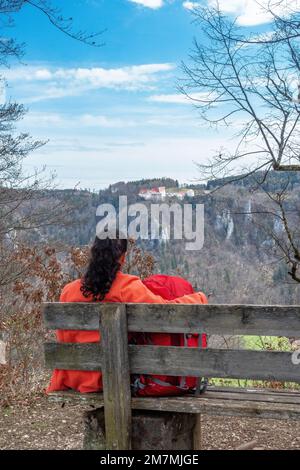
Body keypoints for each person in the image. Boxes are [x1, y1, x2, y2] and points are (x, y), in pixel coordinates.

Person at [46, 234, 208, 394]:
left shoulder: (68, 291)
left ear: (93, 254)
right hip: (111, 377)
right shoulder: (128, 287)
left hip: (74, 376)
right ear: (122, 257)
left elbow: (64, 337)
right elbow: (165, 313)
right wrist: (198, 298)